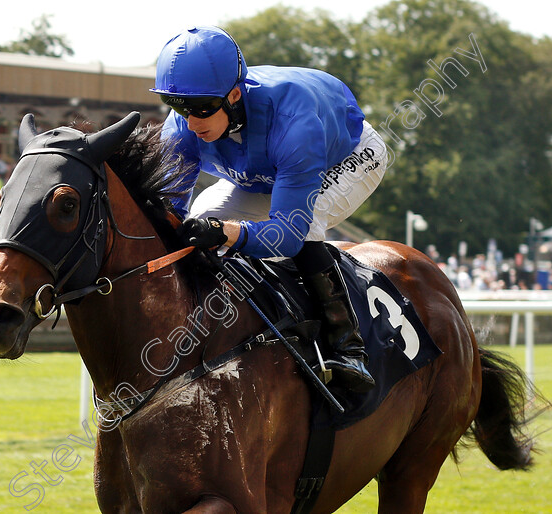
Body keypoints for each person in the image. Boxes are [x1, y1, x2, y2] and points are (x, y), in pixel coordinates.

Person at [151, 26, 390, 392]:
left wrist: (229, 233)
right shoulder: (183, 126)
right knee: (199, 218)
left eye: (201, 108)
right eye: (179, 107)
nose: (192, 122)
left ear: (233, 95)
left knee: (306, 226)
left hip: (348, 156)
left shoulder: (295, 123)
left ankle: (347, 344)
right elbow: (171, 210)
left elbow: (289, 235)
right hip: (264, 171)